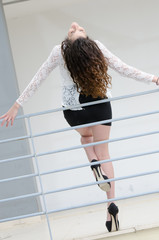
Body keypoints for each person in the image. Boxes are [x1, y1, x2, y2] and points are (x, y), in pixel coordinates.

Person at [0, 22, 159, 232]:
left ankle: (92, 162)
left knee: (86, 139)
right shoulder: (97, 47)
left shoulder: (59, 51)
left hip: (73, 110)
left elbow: (38, 78)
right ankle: (111, 202)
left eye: (76, 30)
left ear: (69, 42)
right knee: (105, 151)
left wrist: (16, 105)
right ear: (87, 43)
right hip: (98, 104)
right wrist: (153, 78)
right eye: (77, 30)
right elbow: (122, 68)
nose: (75, 26)